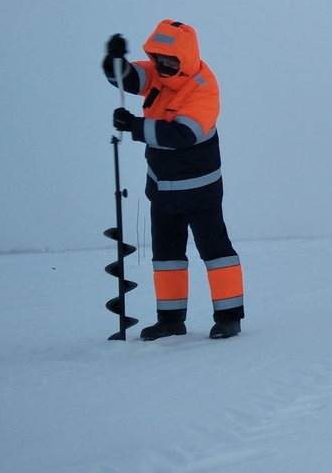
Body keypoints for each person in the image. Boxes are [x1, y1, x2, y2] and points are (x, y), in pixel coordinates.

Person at [103, 20, 244, 340]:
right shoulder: (158, 74)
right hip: (162, 189)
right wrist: (114, 63)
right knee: (167, 257)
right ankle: (170, 320)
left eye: (170, 59)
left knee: (216, 252)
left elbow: (183, 134)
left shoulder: (203, 88)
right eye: (158, 57)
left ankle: (229, 317)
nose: (162, 65)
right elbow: (128, 78)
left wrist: (134, 127)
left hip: (200, 191)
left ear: (185, 57)